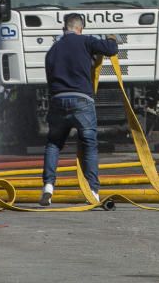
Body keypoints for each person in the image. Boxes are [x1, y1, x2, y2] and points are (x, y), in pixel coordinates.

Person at [39, 13, 118, 207]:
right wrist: (111, 38)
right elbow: (111, 50)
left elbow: (49, 79)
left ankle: (48, 186)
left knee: (54, 144)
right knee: (89, 145)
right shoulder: (85, 41)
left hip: (57, 100)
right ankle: (92, 191)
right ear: (80, 28)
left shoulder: (53, 50)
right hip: (82, 100)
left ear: (64, 28)